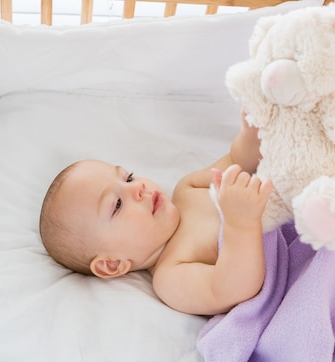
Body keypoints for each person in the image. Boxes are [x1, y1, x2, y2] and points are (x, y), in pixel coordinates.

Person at [39, 113, 273, 316]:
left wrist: (250, 136)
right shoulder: (171, 276)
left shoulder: (188, 188)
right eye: (117, 204)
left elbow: (237, 163)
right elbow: (231, 289)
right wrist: (241, 224)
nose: (137, 187)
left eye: (128, 177)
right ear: (112, 264)